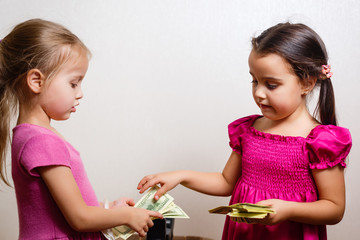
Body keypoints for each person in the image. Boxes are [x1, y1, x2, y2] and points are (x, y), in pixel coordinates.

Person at [137, 22, 352, 240]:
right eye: (254, 80)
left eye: (271, 84)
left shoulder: (321, 141)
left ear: (307, 83)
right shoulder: (249, 130)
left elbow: (334, 208)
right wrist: (181, 176)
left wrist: (288, 209)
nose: (258, 92)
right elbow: (225, 182)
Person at [0, 19, 162, 239]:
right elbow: (79, 218)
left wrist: (110, 211)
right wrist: (126, 217)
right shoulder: (41, 141)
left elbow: (60, 210)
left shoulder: (30, 135)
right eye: (73, 83)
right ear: (36, 81)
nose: (80, 93)